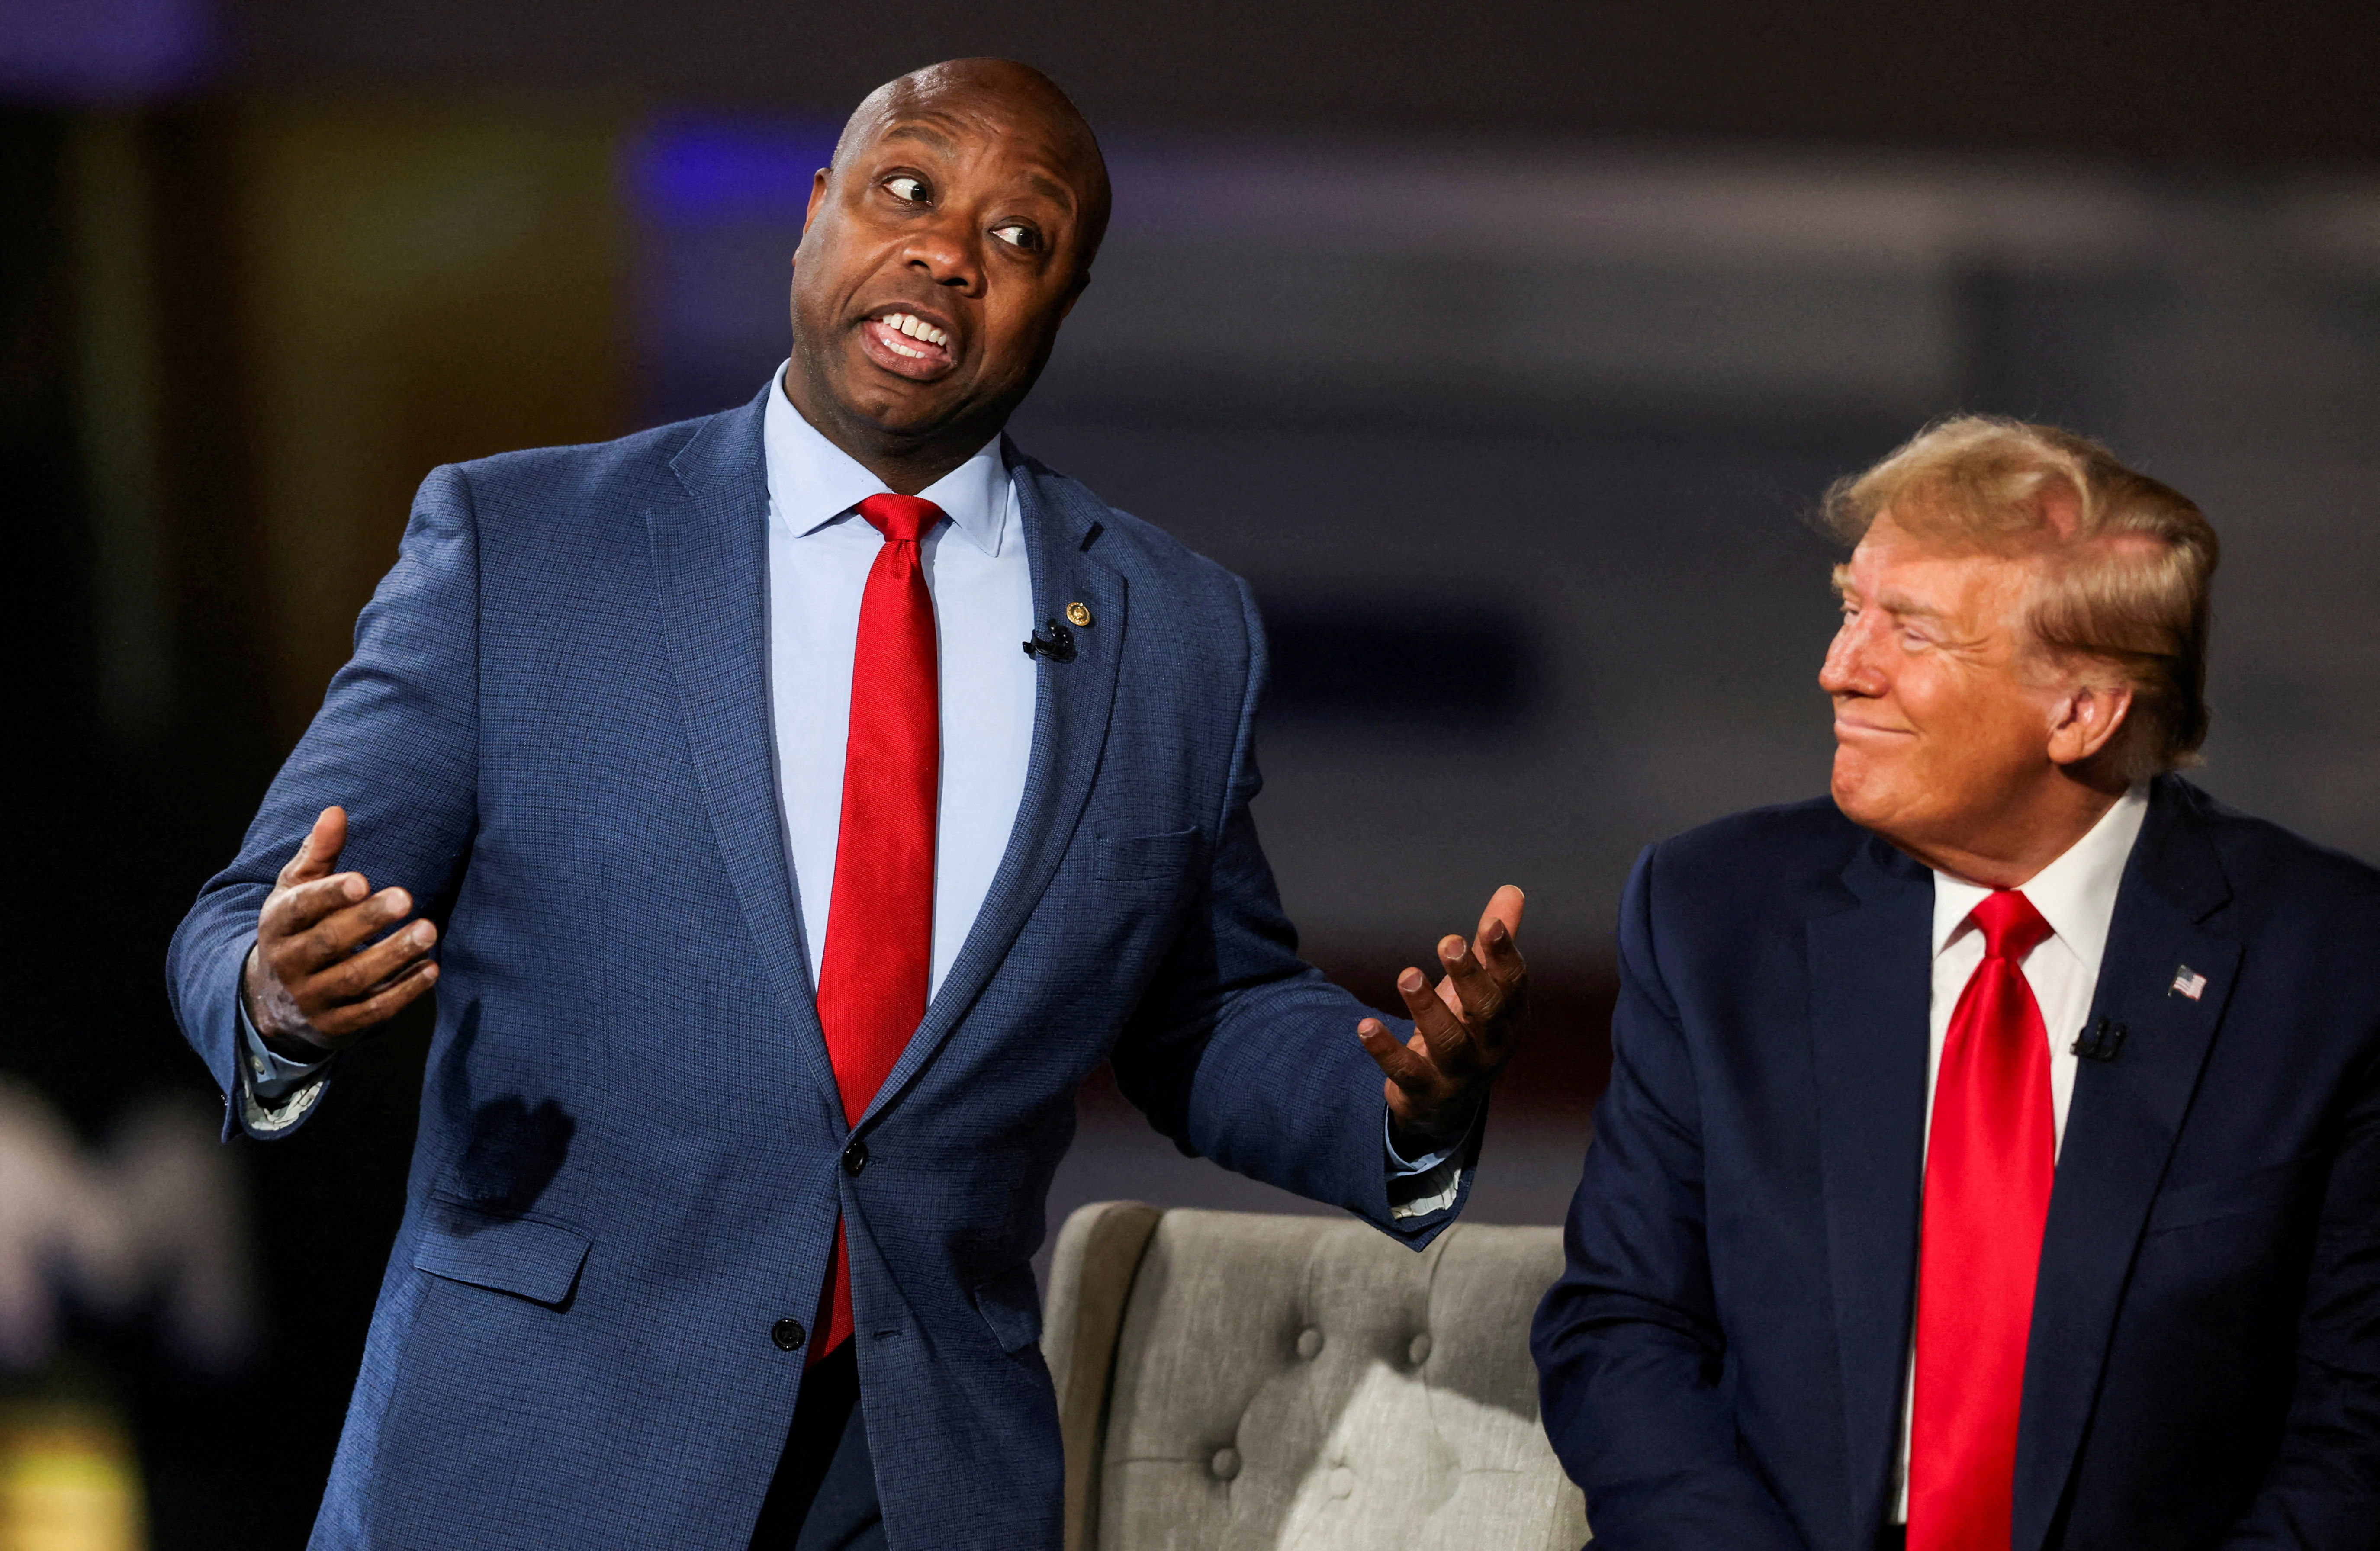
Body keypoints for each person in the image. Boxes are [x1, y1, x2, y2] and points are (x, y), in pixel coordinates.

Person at [165, 59, 1528, 1551]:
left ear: (1065, 297)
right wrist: (276, 995)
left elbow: (1207, 1008)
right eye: (909, 189)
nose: (948, 252)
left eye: (1018, 236)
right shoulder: (523, 544)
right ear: (815, 214)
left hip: (918, 1476)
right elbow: (240, 922)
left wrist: (1402, 1098)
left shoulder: (1174, 629)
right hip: (539, 1454)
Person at [1531, 417, 2380, 1551]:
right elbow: (1622, 1329)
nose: (1840, 669)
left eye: (1912, 632)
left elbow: (2355, 1430)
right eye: (1851, 609)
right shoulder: (1714, 914)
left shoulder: (2331, 964)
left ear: (2079, 710)